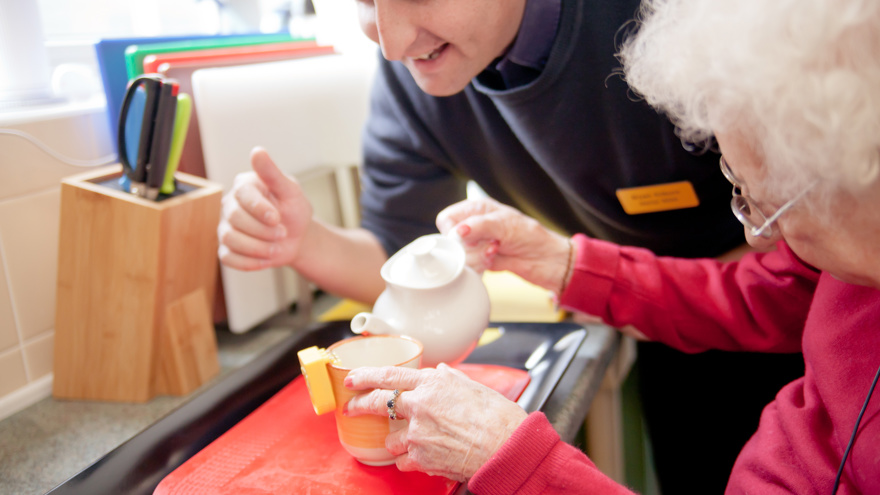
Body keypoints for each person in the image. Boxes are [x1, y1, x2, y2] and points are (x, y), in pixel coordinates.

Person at [217, 0, 805, 491]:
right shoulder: (416, 69)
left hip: (785, 310)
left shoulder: (674, 21)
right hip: (663, 317)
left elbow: (810, 265)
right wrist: (304, 242)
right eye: (365, 2)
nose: (393, 45)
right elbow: (394, 259)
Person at [343, 0, 880, 492]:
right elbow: (778, 295)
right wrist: (564, 263)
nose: (755, 235)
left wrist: (513, 458)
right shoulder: (851, 273)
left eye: (765, 203)